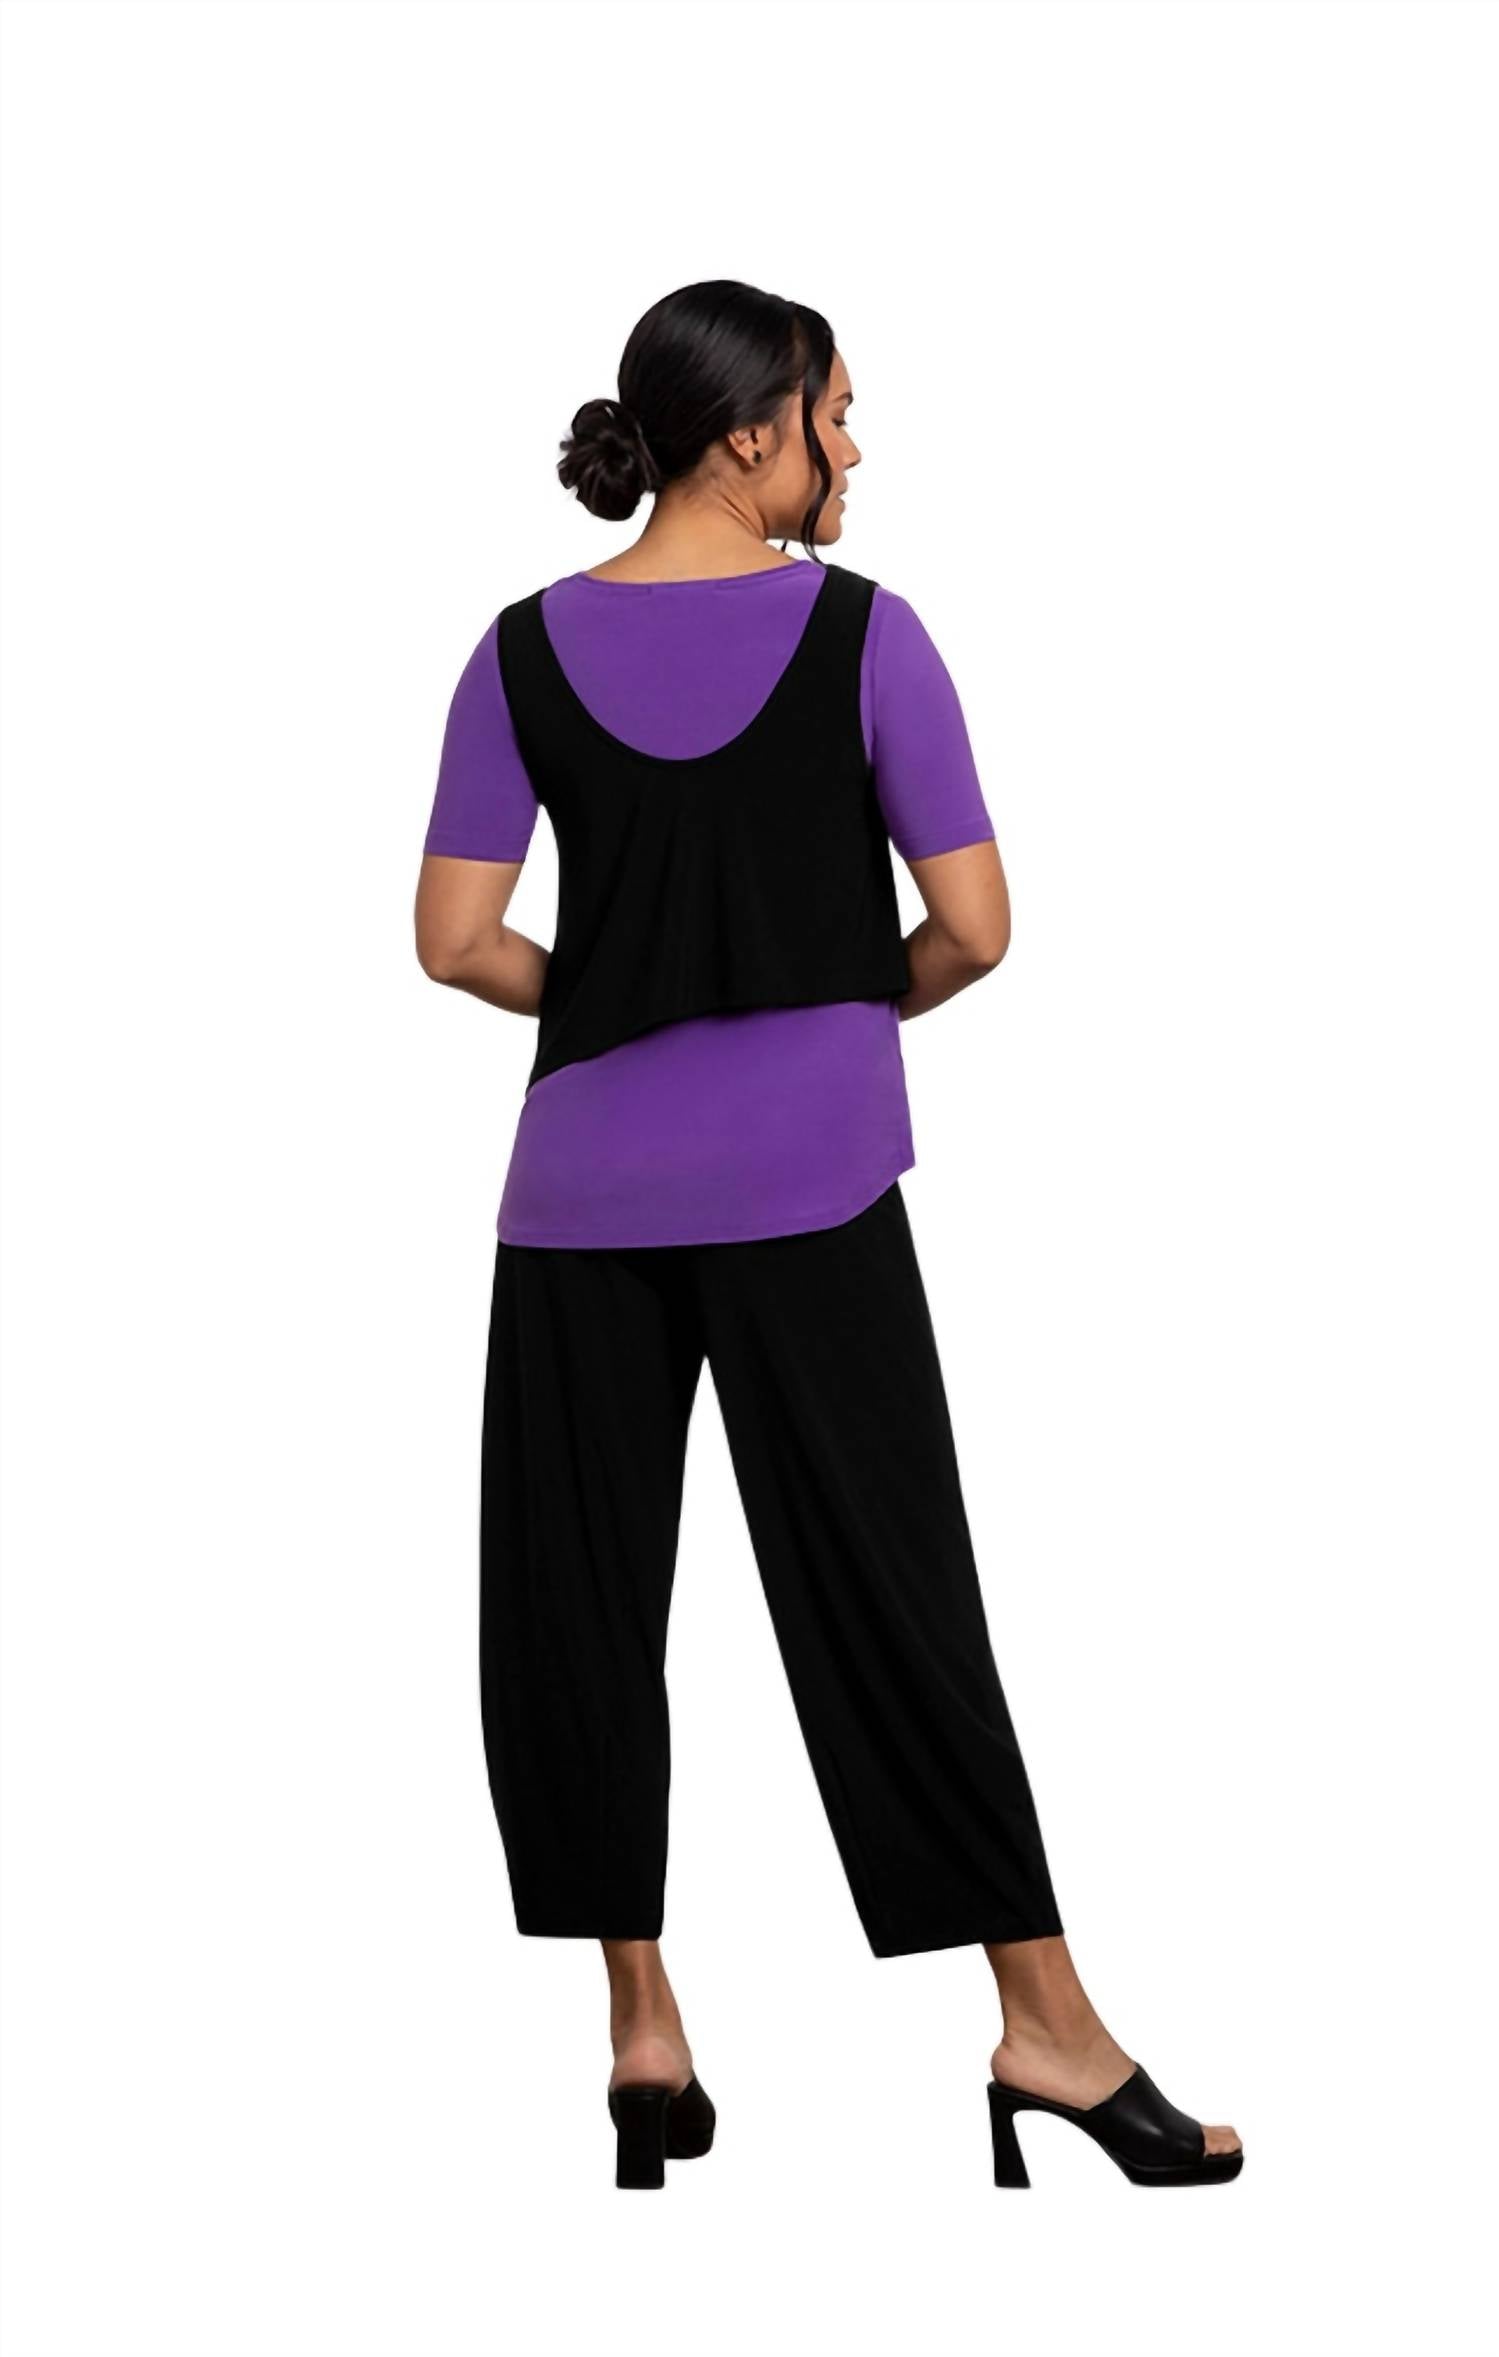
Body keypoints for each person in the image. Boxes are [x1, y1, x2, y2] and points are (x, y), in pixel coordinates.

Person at [414, 279, 1242, 2193]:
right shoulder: (870, 636)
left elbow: (454, 941)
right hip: (814, 1189)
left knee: (576, 1606)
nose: (852, 449)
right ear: (748, 433)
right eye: (836, 414)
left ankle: (641, 2025)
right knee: (898, 1600)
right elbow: (978, 928)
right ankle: (1044, 2025)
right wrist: (839, 1007)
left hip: (580, 1203)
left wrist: (612, 998)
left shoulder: (517, 650)